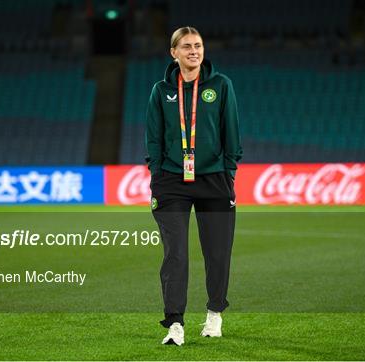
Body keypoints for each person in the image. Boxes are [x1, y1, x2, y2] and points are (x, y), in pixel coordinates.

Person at [145, 26, 243, 346]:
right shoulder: (161, 91)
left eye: (198, 45)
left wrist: (228, 171)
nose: (193, 51)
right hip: (172, 181)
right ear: (173, 52)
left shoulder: (221, 86)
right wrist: (158, 176)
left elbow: (232, 132)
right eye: (186, 46)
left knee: (217, 253)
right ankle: (175, 323)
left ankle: (214, 314)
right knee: (176, 254)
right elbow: (154, 137)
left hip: (214, 178)